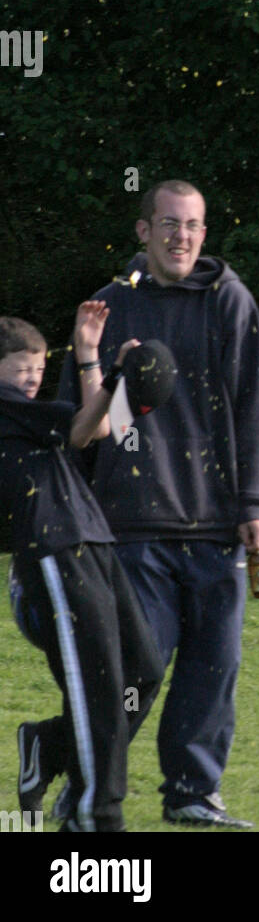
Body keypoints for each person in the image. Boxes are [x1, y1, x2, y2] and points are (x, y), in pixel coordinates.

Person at [57, 179, 259, 828]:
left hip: (217, 526)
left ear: (204, 234)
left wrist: (254, 501)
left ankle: (192, 794)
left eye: (193, 225)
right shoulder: (105, 307)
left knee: (214, 669)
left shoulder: (230, 302)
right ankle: (86, 788)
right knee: (134, 671)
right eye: (169, 223)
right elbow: (81, 427)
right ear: (143, 231)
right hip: (129, 522)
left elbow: (254, 406)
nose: (182, 236)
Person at [0, 307, 163, 832]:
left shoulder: (30, 415)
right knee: (97, 688)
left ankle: (47, 747)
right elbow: (83, 424)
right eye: (20, 366)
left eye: (40, 366)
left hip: (94, 542)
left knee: (141, 672)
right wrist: (113, 376)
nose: (33, 377)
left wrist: (93, 358)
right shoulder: (3, 409)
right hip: (50, 554)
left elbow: (101, 428)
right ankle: (94, 821)